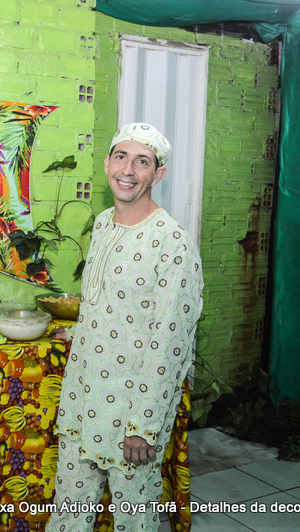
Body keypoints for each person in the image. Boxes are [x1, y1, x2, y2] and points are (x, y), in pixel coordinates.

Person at [46, 123, 204, 531]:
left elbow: (171, 342)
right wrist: (79, 332)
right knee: (69, 509)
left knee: (134, 518)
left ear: (158, 173)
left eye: (142, 161)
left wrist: (144, 426)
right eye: (121, 157)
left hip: (131, 412)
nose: (128, 170)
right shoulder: (103, 223)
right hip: (82, 400)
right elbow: (108, 305)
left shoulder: (172, 242)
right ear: (107, 163)